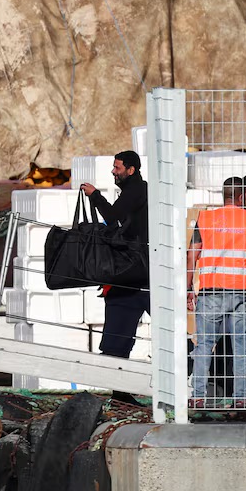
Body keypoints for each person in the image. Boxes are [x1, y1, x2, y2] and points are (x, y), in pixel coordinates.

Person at [188, 173, 246, 408]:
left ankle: (198, 397)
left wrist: (188, 289)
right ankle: (240, 399)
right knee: (241, 348)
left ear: (224, 196)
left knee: (204, 345)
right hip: (243, 293)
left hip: (211, 292)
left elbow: (192, 254)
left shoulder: (206, 219)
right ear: (242, 196)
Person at [82, 150, 149, 359]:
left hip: (135, 272)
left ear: (131, 170)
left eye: (117, 167)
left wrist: (95, 196)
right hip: (139, 271)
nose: (113, 171)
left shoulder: (135, 190)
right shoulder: (137, 190)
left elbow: (112, 217)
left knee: (117, 333)